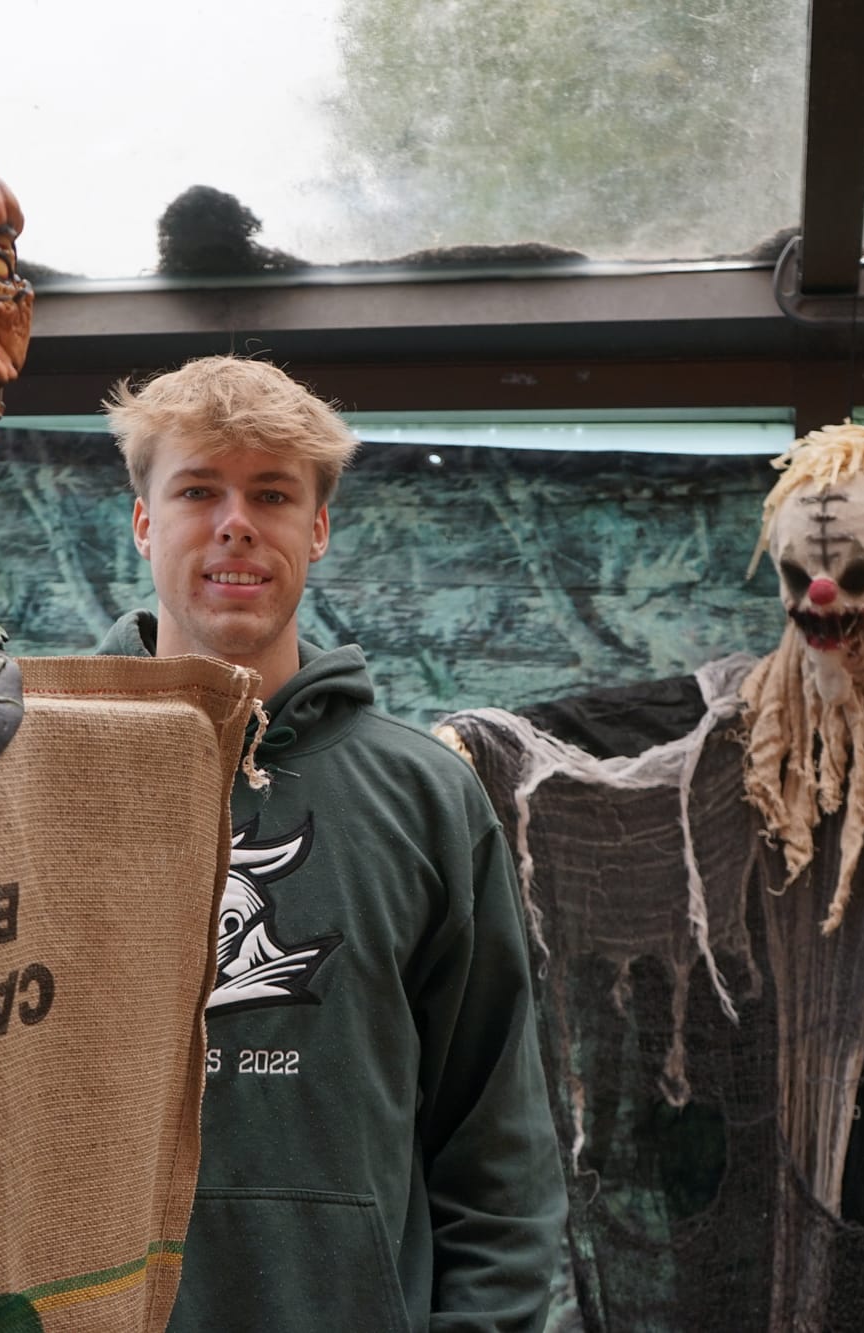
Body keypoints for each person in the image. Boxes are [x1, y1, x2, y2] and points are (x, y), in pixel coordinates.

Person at [97, 355, 567, 1333]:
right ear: (143, 521)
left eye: (271, 493)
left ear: (316, 528)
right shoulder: (43, 776)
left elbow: (497, 1156)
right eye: (197, 490)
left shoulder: (427, 799)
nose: (235, 522)